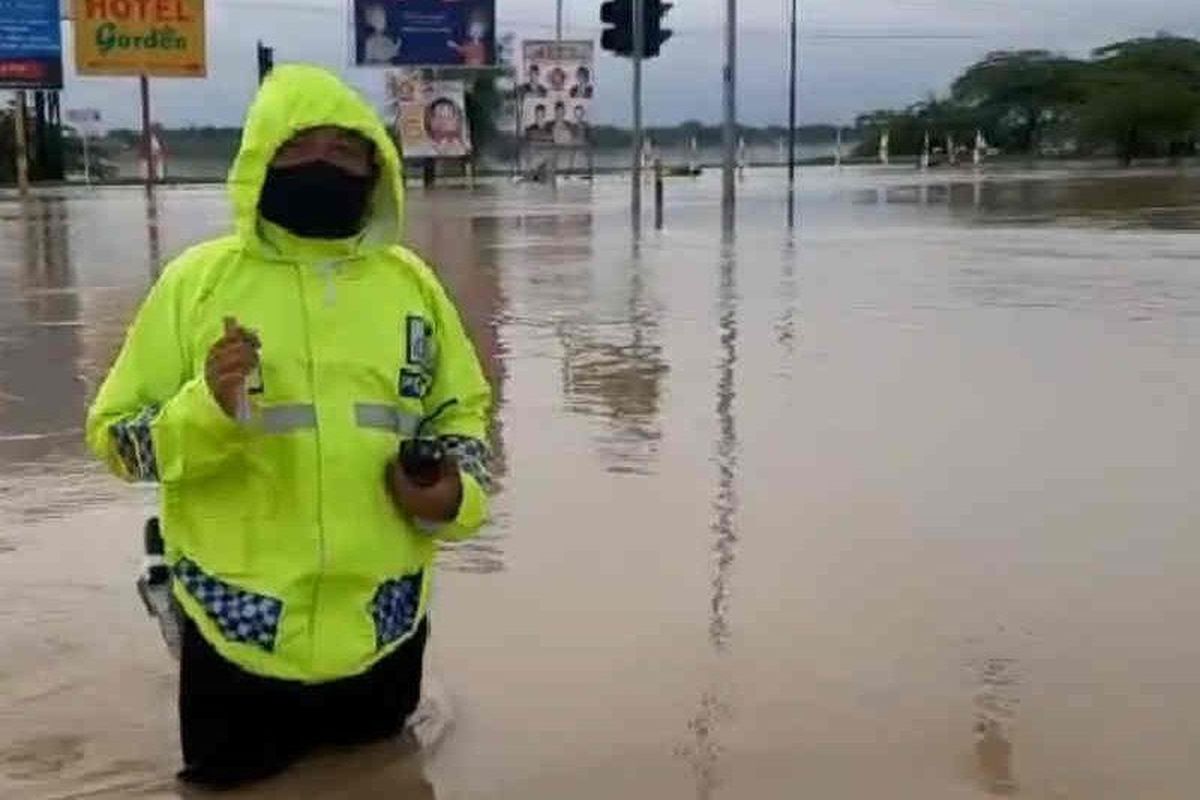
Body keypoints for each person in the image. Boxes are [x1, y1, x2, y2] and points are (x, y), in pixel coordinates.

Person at [86, 64, 492, 789]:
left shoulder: (413, 287)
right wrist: (206, 409)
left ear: (377, 165)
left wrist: (452, 498)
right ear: (259, 159)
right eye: (300, 147)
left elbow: (462, 418)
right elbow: (118, 439)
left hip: (384, 624)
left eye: (346, 150)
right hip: (236, 630)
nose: (324, 165)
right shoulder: (197, 283)